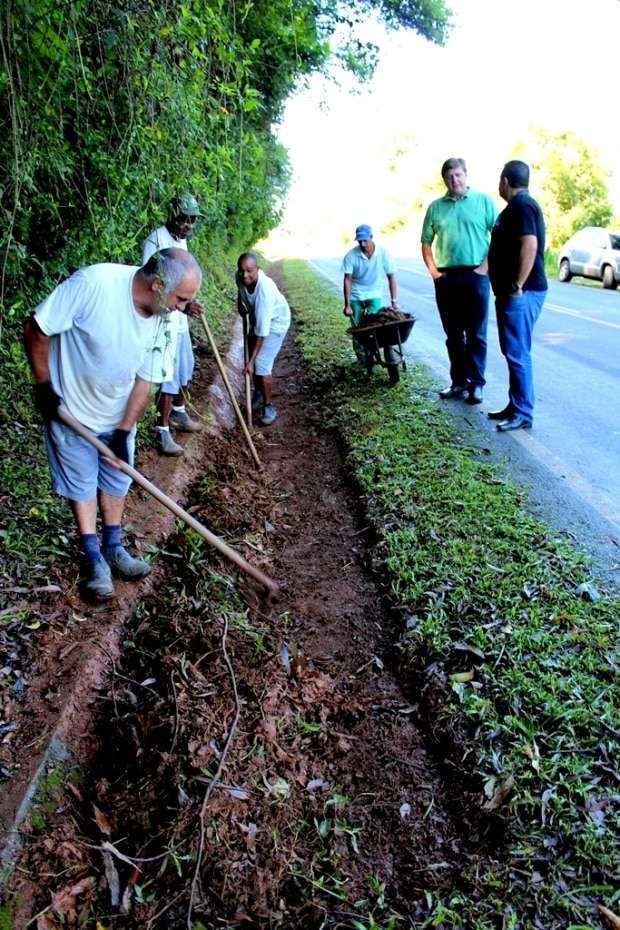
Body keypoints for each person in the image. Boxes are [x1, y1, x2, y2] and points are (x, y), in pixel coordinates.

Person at [23, 248, 203, 599]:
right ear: (157, 284)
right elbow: (36, 328)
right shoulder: (94, 285)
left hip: (118, 414)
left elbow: (147, 379)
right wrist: (43, 386)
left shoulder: (167, 318)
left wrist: (123, 431)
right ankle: (93, 558)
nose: (183, 307)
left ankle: (114, 547)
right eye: (181, 299)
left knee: (117, 480)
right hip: (72, 411)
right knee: (82, 485)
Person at [421, 158, 497, 404]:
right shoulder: (435, 207)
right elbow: (425, 242)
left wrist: (484, 268)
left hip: (476, 274)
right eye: (450, 176)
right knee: (453, 333)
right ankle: (458, 382)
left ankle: (476, 384)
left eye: (458, 174)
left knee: (477, 333)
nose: (455, 180)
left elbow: (499, 236)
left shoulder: (483, 201)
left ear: (466, 175)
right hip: (446, 277)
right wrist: (434, 272)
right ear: (444, 179)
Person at [487, 160, 547, 431]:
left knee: (517, 351)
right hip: (513, 292)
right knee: (513, 351)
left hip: (522, 292)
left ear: (505, 181)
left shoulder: (522, 206)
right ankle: (516, 404)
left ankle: (523, 411)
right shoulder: (517, 207)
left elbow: (529, 244)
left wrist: (517, 284)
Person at [142, 193, 203, 455]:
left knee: (185, 365)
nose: (188, 224)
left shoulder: (182, 241)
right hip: (164, 317)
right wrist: (182, 305)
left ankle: (179, 412)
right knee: (166, 373)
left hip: (180, 316)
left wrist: (189, 302)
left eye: (192, 220)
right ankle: (162, 431)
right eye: (184, 219)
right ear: (173, 215)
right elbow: (150, 281)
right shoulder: (155, 241)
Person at [236, 253, 290, 426]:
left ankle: (269, 406)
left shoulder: (264, 292)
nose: (245, 275)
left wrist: (250, 362)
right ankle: (258, 392)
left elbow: (262, 333)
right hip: (257, 317)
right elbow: (241, 289)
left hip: (276, 323)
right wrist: (240, 305)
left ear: (258, 270)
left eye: (249, 271)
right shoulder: (240, 277)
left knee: (261, 364)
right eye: (242, 271)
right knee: (253, 351)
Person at [342, 224, 401, 383]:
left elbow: (391, 276)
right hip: (356, 294)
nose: (362, 244)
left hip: (374, 293)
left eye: (365, 240)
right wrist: (347, 304)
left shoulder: (382, 253)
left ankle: (379, 351)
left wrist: (394, 301)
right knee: (359, 328)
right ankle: (364, 360)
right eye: (359, 241)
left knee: (378, 325)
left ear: (371, 237)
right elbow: (347, 280)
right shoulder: (351, 256)